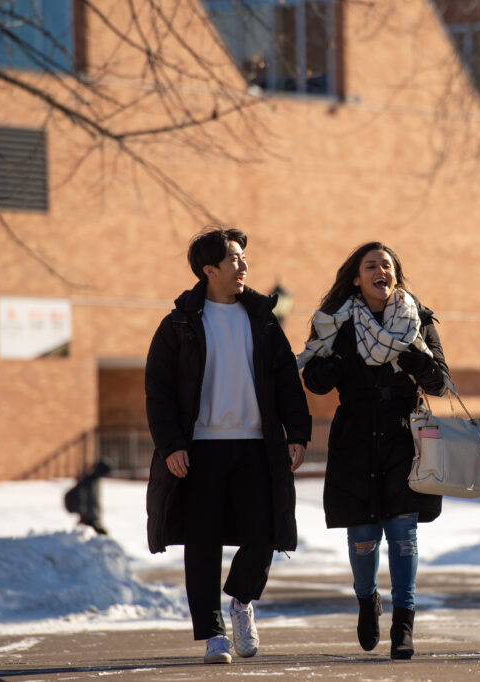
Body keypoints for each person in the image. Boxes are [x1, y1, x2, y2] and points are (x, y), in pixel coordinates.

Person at [144, 227, 311, 665]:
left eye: (243, 258)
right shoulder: (179, 323)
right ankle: (213, 634)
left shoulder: (262, 318)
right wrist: (171, 445)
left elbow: (286, 382)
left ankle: (241, 601)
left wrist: (297, 433)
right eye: (234, 259)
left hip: (257, 445)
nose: (244, 266)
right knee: (203, 543)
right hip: (200, 450)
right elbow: (158, 391)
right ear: (209, 269)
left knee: (264, 534)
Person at [298, 242, 449, 660]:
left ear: (395, 275)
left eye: (387, 265)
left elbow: (440, 382)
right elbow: (315, 380)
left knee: (404, 535)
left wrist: (415, 360)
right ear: (356, 278)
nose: (380, 270)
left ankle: (404, 623)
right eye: (371, 266)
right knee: (363, 539)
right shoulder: (335, 323)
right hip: (355, 440)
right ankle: (367, 599)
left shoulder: (417, 320)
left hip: (404, 436)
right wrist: (339, 360)